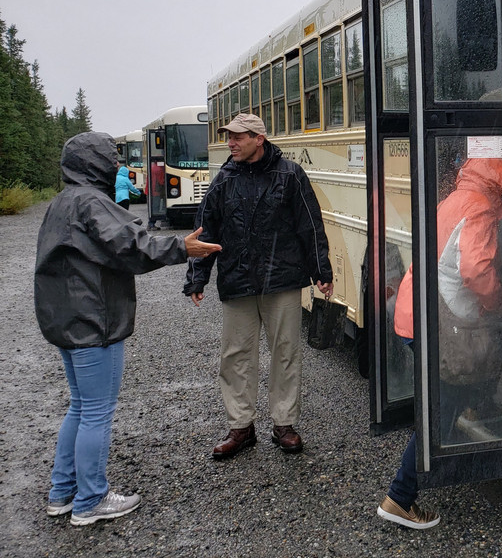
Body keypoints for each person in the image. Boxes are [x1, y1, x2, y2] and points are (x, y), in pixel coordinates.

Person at [35, 132, 221, 526]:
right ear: (94, 164)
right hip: (93, 321)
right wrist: (182, 248)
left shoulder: (63, 201)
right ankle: (91, 500)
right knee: (97, 411)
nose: (117, 164)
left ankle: (62, 492)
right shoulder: (91, 201)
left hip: (66, 320)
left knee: (81, 407)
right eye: (111, 158)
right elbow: (130, 245)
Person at [182, 113, 333, 459]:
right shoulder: (223, 180)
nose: (230, 143)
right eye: (229, 137)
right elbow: (205, 230)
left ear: (258, 139)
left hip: (282, 280)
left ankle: (284, 423)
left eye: (237, 137)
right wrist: (197, 276)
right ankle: (241, 427)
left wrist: (321, 270)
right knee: (235, 355)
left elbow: (310, 225)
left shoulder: (290, 175)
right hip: (238, 280)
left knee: (286, 351)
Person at [377, 156, 502, 530]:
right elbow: (476, 271)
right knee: (440, 408)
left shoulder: (454, 198)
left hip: (412, 310)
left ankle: (467, 422)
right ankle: (399, 499)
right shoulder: (481, 209)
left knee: (465, 382)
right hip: (437, 323)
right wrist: (496, 301)